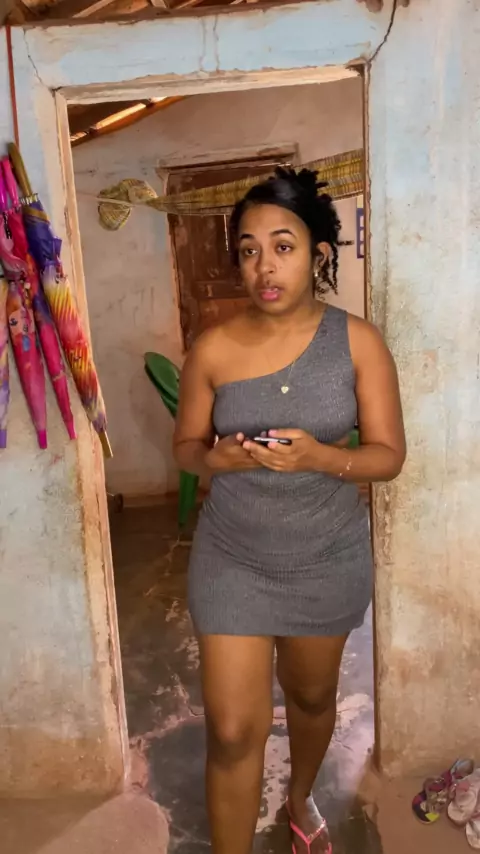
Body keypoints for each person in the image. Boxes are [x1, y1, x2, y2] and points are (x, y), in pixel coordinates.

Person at [174, 168, 406, 854]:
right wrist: (215, 460)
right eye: (248, 250)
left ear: (318, 254)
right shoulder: (212, 348)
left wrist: (320, 457)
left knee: (308, 698)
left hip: (325, 557)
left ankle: (300, 796)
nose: (264, 266)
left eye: (283, 246)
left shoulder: (358, 343)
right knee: (232, 731)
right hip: (232, 558)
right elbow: (185, 448)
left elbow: (388, 456)